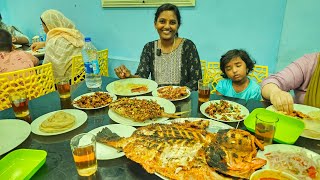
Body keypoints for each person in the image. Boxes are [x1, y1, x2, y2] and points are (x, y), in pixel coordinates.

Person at [114, 3, 202, 90]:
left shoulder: (188, 46)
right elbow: (141, 78)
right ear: (155, 24)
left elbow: (196, 81)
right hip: (157, 101)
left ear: (178, 26)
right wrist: (129, 76)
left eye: (172, 22)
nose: (167, 26)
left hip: (183, 100)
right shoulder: (149, 48)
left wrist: (176, 93)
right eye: (162, 21)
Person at [31, 9, 84, 80]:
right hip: (83, 76)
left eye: (43, 25)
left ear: (49, 25)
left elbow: (47, 71)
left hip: (66, 84)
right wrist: (44, 44)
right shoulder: (73, 34)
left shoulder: (53, 41)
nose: (43, 29)